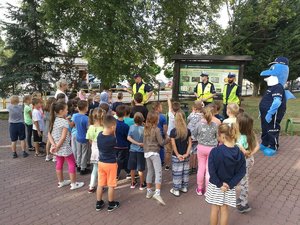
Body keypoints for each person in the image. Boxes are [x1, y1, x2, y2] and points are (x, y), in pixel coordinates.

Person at [205, 123, 246, 225]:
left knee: (215, 208)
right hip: (229, 186)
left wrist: (219, 184)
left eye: (218, 136)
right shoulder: (239, 153)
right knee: (224, 209)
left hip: (216, 185)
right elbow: (242, 171)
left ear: (222, 136)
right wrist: (231, 184)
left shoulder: (215, 151)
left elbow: (212, 170)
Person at [48, 101, 84, 190]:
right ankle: (73, 183)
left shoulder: (53, 120)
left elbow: (49, 134)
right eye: (66, 110)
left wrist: (54, 145)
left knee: (59, 163)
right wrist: (58, 146)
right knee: (71, 163)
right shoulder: (64, 122)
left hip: (56, 146)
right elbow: (63, 137)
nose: (67, 111)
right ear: (61, 111)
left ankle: (61, 182)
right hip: (63, 147)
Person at [143, 111, 168, 205]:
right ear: (155, 120)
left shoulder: (145, 128)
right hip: (154, 153)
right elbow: (161, 143)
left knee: (150, 171)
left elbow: (144, 142)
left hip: (147, 153)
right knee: (158, 172)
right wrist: (168, 140)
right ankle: (157, 193)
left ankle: (149, 191)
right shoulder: (156, 129)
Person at [96, 115, 120, 212]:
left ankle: (99, 203)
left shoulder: (99, 135)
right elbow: (116, 143)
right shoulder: (113, 139)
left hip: (101, 162)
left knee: (100, 184)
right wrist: (114, 132)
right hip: (111, 164)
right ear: (113, 127)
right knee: (111, 185)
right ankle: (111, 203)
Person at [236, 113, 259, 213]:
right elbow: (258, 146)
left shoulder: (241, 135)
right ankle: (241, 198)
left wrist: (246, 152)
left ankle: (244, 203)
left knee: (244, 181)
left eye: (237, 122)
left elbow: (238, 144)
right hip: (248, 159)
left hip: (245, 161)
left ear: (240, 125)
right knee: (243, 178)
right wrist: (250, 153)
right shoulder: (250, 133)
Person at [193, 107, 218, 195]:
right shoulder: (215, 125)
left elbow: (194, 134)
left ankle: (200, 189)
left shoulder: (199, 124)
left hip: (201, 147)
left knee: (201, 168)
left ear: (202, 114)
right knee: (209, 169)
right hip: (212, 149)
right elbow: (217, 137)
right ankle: (208, 190)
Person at [169, 111, 192, 197]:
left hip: (176, 155)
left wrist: (178, 154)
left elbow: (173, 144)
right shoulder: (187, 131)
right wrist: (187, 153)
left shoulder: (173, 131)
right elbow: (190, 143)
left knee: (177, 172)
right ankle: (184, 187)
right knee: (185, 171)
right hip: (186, 155)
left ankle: (176, 189)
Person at [86, 108, 105, 193]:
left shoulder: (90, 127)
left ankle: (91, 185)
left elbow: (89, 139)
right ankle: (101, 185)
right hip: (102, 151)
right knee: (102, 170)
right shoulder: (103, 128)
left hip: (94, 150)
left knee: (95, 169)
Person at [127, 112, 146, 190]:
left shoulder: (131, 127)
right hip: (141, 151)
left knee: (132, 168)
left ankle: (133, 182)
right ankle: (142, 183)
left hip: (132, 150)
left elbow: (128, 137)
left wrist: (136, 143)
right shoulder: (144, 129)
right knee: (140, 169)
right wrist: (140, 143)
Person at [72, 100, 90, 175]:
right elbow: (88, 129)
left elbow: (73, 124)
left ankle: (78, 165)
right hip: (84, 137)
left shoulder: (75, 116)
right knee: (84, 153)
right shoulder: (86, 118)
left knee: (78, 152)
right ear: (86, 108)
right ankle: (83, 168)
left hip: (78, 136)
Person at [165, 95, 181, 171]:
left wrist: (168, 98)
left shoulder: (170, 114)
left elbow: (169, 106)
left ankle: (167, 165)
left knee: (168, 151)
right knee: (176, 149)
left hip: (169, 135)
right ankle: (176, 163)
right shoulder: (179, 116)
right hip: (176, 135)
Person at [187, 100, 203, 174]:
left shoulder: (192, 114)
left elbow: (187, 119)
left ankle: (189, 168)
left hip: (191, 137)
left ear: (194, 108)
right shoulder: (202, 116)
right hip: (198, 137)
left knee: (190, 152)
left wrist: (193, 112)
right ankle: (194, 167)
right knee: (196, 153)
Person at [115, 105, 131, 179]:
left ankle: (128, 172)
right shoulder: (125, 126)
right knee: (121, 160)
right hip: (123, 145)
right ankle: (116, 175)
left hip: (115, 145)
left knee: (121, 160)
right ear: (125, 113)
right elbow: (127, 137)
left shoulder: (114, 123)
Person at [152, 102, 168, 166]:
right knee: (161, 147)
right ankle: (161, 161)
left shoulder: (151, 115)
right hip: (160, 134)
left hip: (152, 133)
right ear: (158, 108)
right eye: (161, 107)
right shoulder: (162, 117)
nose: (162, 108)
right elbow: (165, 127)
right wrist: (165, 134)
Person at [44, 97, 57, 161]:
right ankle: (54, 156)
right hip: (52, 127)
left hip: (47, 127)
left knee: (48, 142)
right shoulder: (53, 111)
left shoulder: (45, 109)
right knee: (54, 142)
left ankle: (47, 155)